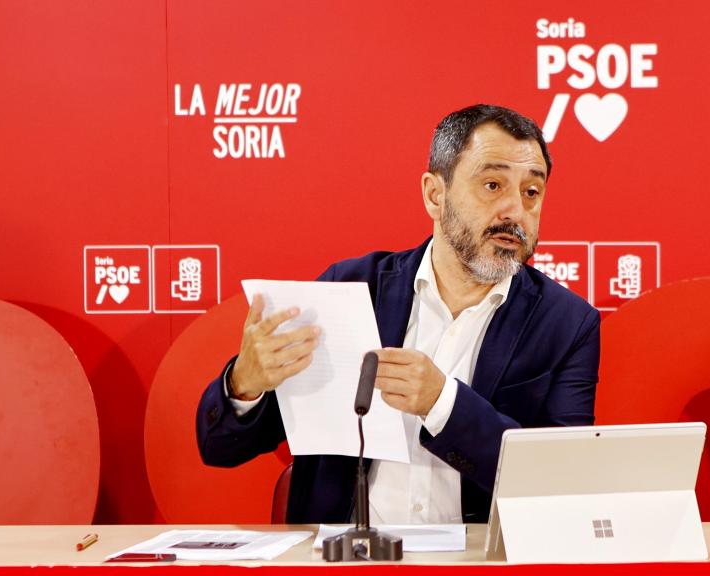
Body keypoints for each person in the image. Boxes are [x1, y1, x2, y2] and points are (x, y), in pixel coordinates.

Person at [197, 104, 600, 524]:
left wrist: (442, 403)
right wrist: (245, 383)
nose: (515, 211)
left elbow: (559, 482)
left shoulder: (566, 324)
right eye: (493, 185)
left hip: (475, 565)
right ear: (434, 194)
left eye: (531, 193)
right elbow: (220, 448)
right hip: (349, 564)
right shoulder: (351, 289)